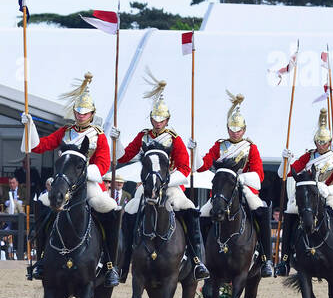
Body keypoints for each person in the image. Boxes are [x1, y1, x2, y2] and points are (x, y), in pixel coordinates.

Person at [20, 72, 120, 284]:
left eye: (85, 113)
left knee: (109, 208)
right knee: (43, 203)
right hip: (64, 182)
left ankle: (110, 264)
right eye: (78, 112)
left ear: (92, 114)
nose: (80, 116)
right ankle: (42, 259)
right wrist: (29, 127)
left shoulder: (98, 135)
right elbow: (40, 146)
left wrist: (86, 174)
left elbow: (103, 163)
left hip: (89, 183)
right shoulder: (65, 132)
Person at [115, 72, 208, 280]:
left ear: (167, 119)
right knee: (129, 210)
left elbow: (185, 168)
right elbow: (124, 156)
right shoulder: (143, 135)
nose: (158, 123)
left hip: (171, 186)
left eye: (162, 119)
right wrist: (117, 139)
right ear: (151, 119)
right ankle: (123, 262)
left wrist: (166, 182)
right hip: (147, 184)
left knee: (189, 210)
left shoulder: (174, 139)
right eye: (155, 119)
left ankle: (196, 260)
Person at [277, 109, 333, 282]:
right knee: (290, 211)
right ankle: (285, 259)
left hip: (328, 195)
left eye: (324, 142)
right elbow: (286, 173)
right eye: (319, 142)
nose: (321, 145)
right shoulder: (308, 156)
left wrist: (327, 189)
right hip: (309, 196)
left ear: (330, 142)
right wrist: (284, 161)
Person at [196, 91, 275, 278]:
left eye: (238, 130)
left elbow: (259, 174)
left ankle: (266, 258)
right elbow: (203, 166)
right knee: (203, 214)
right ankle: (200, 256)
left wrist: (241, 179)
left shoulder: (250, 147)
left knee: (261, 211)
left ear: (244, 130)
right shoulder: (220, 145)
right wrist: (195, 151)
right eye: (232, 129)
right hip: (223, 189)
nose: (235, 133)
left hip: (243, 187)